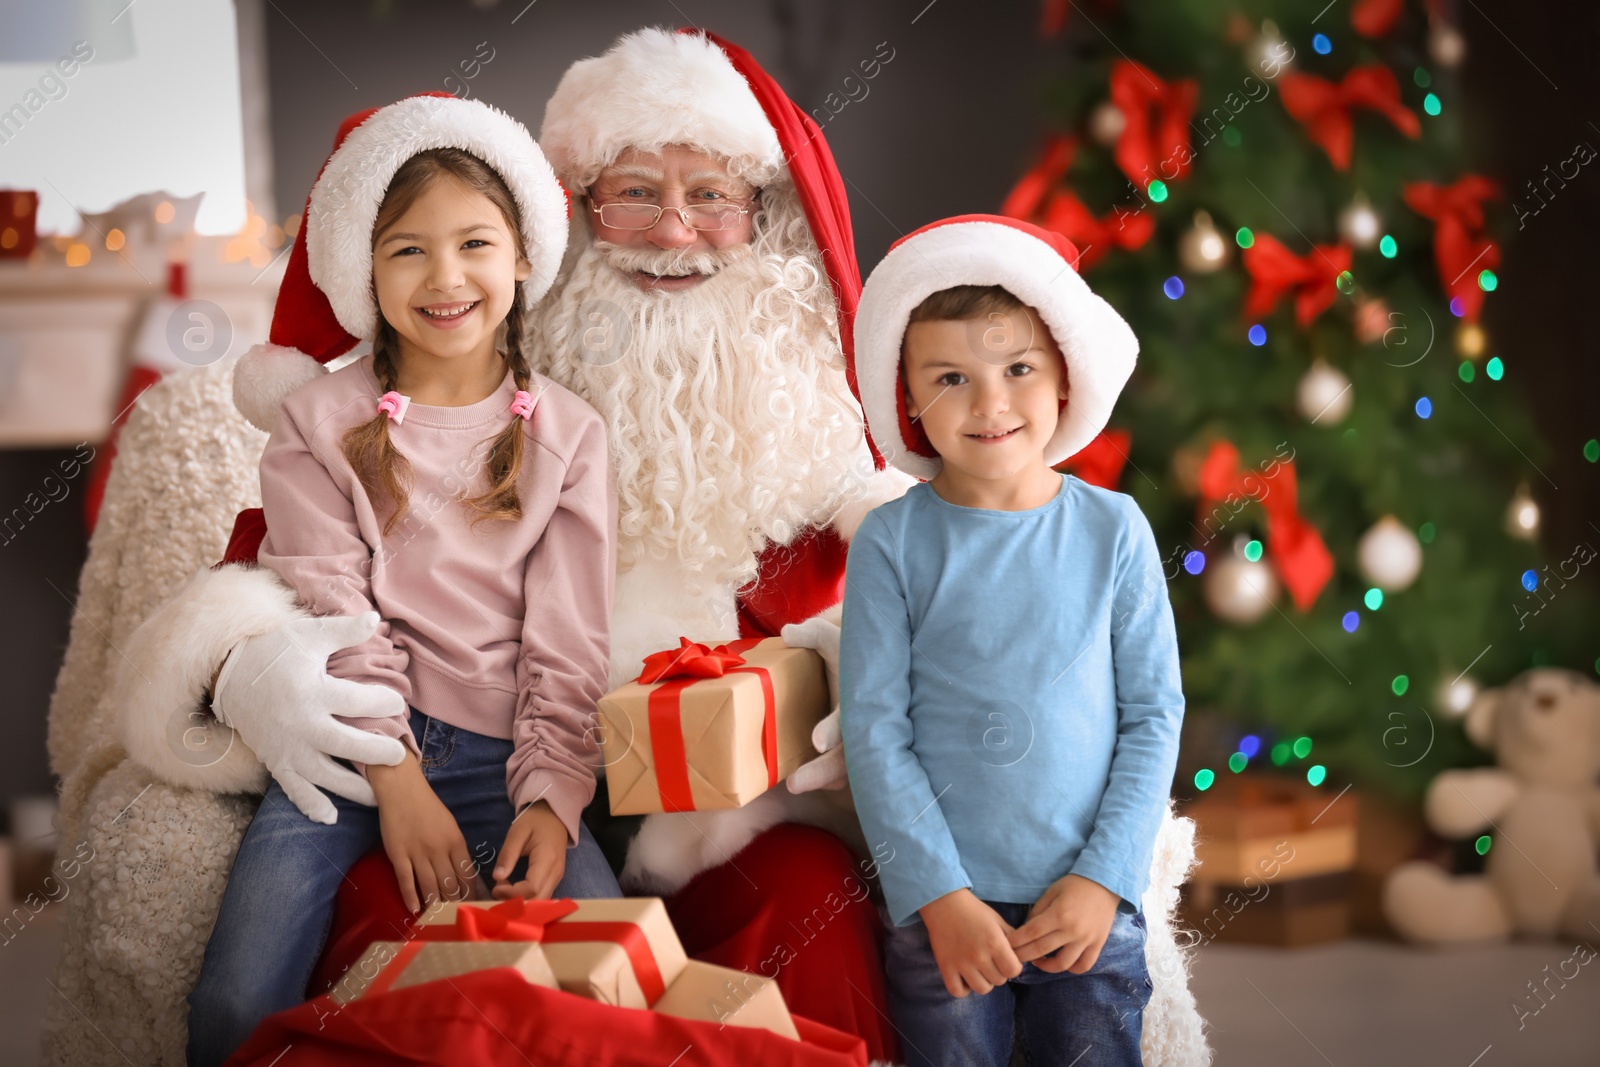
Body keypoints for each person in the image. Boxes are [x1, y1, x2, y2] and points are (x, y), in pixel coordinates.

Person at [91, 28, 913, 1064]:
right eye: (632, 193)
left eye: (711, 194)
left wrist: (555, 796)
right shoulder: (339, 424)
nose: (673, 230)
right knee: (261, 977)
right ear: (573, 216)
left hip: (582, 774)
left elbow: (574, 635)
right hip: (392, 750)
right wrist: (334, 727)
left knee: (687, 945)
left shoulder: (656, 424)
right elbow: (309, 587)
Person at [181, 94, 622, 1067]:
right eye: (407, 249)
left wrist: (550, 796)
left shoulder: (569, 434)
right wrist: (398, 776)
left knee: (615, 967)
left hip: (507, 749)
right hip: (347, 742)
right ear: (363, 270)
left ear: (520, 258)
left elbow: (569, 637)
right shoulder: (316, 423)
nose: (446, 276)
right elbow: (332, 609)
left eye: (474, 242)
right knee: (235, 996)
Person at [840, 215, 1185, 1067]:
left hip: (1086, 912)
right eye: (951, 376)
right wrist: (940, 897)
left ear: (1062, 376)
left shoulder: (1115, 529)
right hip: (945, 917)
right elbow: (875, 731)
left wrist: (1105, 880)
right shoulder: (891, 542)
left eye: (1018, 368)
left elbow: (1153, 713)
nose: (990, 404)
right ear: (909, 398)